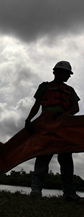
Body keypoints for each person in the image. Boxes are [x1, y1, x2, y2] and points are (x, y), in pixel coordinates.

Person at [25, 61, 80, 201]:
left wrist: (64, 115)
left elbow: (75, 108)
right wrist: (28, 120)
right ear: (56, 72)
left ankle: (69, 192)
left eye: (68, 74)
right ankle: (36, 189)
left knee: (66, 159)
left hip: (63, 127)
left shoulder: (70, 90)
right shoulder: (44, 86)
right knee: (43, 156)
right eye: (65, 73)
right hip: (46, 126)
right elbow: (36, 105)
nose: (67, 76)